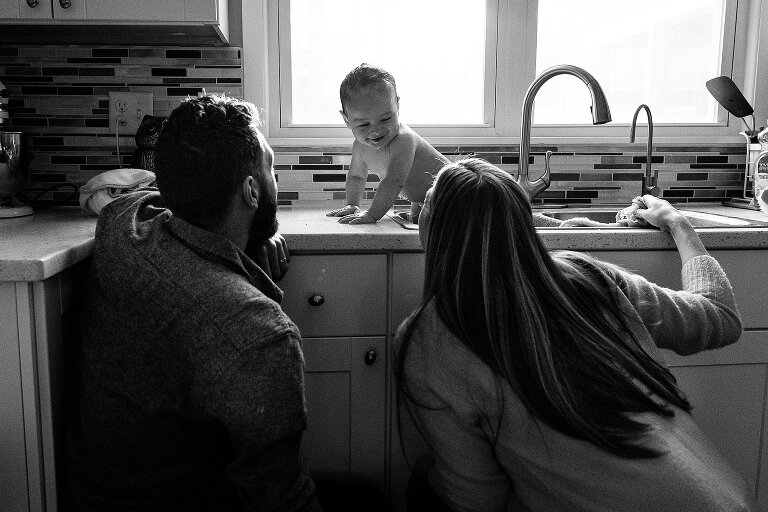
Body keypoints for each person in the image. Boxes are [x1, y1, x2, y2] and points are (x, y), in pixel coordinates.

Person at [395, 157, 758, 511]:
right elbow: (720, 317)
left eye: (426, 200)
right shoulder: (587, 276)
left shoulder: (430, 338)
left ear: (436, 228)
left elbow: (476, 499)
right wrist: (677, 223)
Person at [67, 94, 321, 511]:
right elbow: (281, 499)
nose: (276, 178)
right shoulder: (258, 334)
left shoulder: (121, 227)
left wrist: (251, 237)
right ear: (252, 191)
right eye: (271, 167)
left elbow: (142, 197)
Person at [327, 63, 450, 224]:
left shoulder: (404, 140)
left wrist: (372, 215)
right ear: (346, 120)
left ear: (397, 107)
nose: (376, 130)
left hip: (453, 194)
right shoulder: (360, 146)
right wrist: (352, 204)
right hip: (427, 200)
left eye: (386, 119)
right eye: (364, 125)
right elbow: (356, 176)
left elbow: (394, 181)